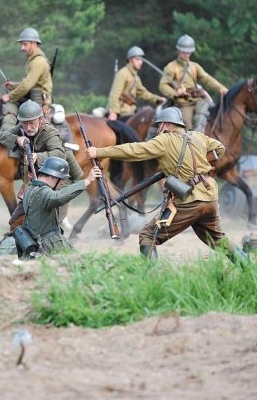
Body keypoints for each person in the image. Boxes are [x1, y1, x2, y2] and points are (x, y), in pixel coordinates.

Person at [85, 106, 247, 263]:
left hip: (189, 201)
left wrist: (99, 151)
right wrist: (197, 163)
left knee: (148, 236)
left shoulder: (164, 140)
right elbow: (220, 148)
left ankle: (150, 279)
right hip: (209, 197)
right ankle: (251, 271)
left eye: (160, 125)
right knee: (218, 240)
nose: (158, 129)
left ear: (168, 124)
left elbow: (134, 150)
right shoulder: (197, 136)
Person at [0, 100, 83, 230]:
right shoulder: (23, 126)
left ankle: (52, 247)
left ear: (40, 119)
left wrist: (38, 156)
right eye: (25, 123)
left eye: (31, 123)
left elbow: (59, 153)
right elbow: (1, 136)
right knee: (15, 223)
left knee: (49, 225)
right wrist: (17, 139)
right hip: (36, 181)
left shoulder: (50, 132)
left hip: (58, 181)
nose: (28, 127)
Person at [16, 156, 102, 257]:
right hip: (49, 244)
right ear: (53, 176)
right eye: (61, 179)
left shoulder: (31, 189)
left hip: (37, 242)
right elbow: (58, 197)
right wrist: (87, 181)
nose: (61, 183)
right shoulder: (43, 192)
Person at [159, 34, 228, 132]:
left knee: (209, 114)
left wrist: (221, 88)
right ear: (178, 51)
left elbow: (207, 79)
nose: (186, 54)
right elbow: (163, 85)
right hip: (183, 102)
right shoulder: (171, 67)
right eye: (183, 51)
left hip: (197, 99)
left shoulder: (195, 67)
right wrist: (175, 93)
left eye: (188, 52)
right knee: (187, 123)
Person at [0, 27, 53, 132]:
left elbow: (27, 86)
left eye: (25, 44)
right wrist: (13, 85)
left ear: (34, 43)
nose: (22, 48)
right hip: (32, 97)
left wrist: (9, 96)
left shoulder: (37, 61)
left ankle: (10, 138)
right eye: (21, 44)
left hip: (38, 101)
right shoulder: (34, 60)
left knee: (9, 108)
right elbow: (31, 83)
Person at [107, 46, 166, 121]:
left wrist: (157, 99)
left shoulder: (135, 77)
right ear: (130, 60)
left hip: (131, 112)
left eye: (141, 60)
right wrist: (114, 112)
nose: (140, 62)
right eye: (137, 59)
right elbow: (114, 94)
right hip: (121, 112)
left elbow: (143, 93)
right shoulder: (123, 73)